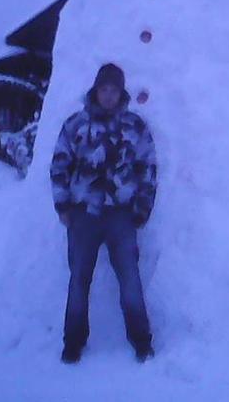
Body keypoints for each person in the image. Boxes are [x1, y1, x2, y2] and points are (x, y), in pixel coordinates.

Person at [50, 63, 157, 364]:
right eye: (104, 89)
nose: (108, 95)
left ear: (120, 93)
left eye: (114, 90)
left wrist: (142, 207)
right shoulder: (75, 125)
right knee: (79, 280)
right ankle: (73, 342)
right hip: (83, 216)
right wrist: (63, 206)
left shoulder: (135, 127)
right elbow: (59, 165)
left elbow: (147, 167)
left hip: (121, 216)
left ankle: (141, 341)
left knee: (130, 279)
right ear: (96, 90)